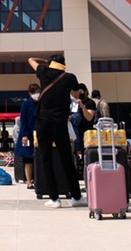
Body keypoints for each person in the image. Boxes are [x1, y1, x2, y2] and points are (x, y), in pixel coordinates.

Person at [28, 54, 86, 209]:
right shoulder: (69, 77)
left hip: (42, 121)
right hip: (60, 122)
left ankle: (54, 199)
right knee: (66, 158)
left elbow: (31, 60)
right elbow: (76, 91)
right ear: (64, 64)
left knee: (46, 159)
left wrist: (45, 62)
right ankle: (75, 196)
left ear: (51, 63)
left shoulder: (43, 72)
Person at [16, 83, 39, 189]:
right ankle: (29, 182)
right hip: (28, 133)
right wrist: (25, 135)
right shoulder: (26, 104)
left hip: (40, 133)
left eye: (38, 92)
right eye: (34, 92)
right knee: (28, 158)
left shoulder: (42, 103)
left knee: (40, 158)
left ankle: (40, 180)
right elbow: (23, 120)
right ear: (30, 93)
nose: (36, 94)